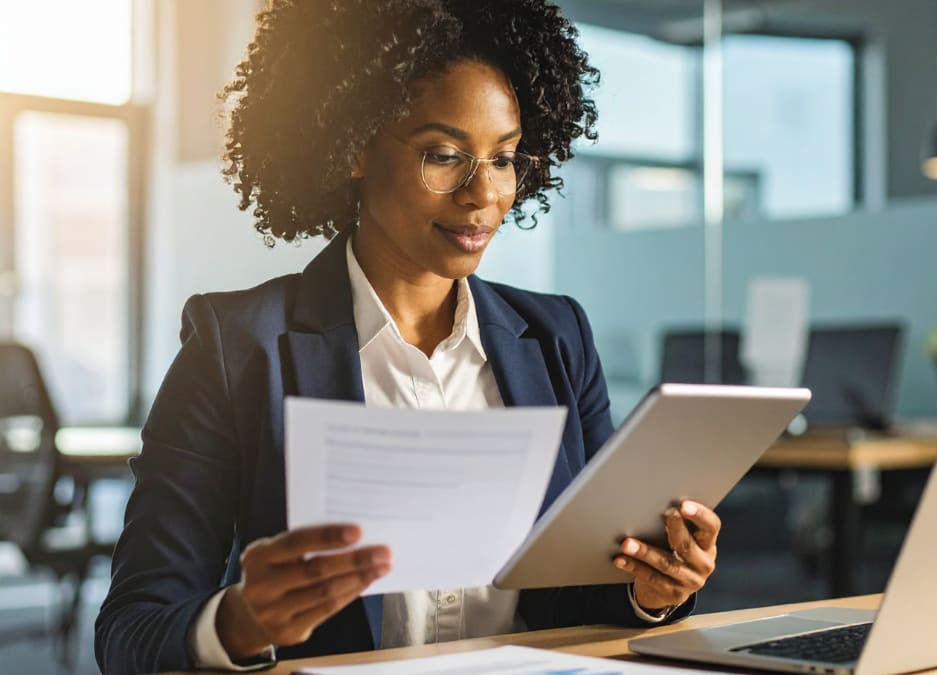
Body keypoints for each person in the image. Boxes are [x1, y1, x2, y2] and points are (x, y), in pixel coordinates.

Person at [95, 1, 722, 672]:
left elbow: (589, 591)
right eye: (444, 155)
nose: (483, 194)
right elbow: (131, 631)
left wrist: (652, 588)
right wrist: (240, 621)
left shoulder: (556, 338)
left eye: (504, 158)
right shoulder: (237, 347)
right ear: (355, 145)